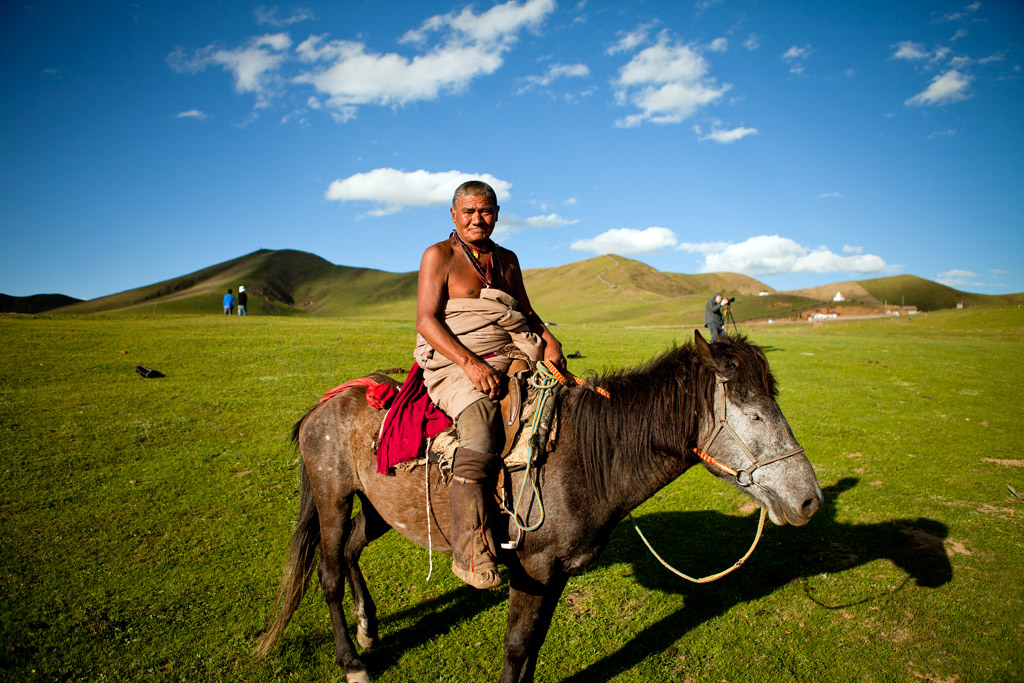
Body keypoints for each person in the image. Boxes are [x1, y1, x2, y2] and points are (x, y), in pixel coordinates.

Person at [415, 180, 564, 589]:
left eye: (486, 211)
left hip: (509, 351)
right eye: (469, 212)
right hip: (453, 360)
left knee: (561, 406)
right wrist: (469, 364)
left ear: (497, 213)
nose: (477, 219)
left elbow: (527, 312)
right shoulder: (439, 256)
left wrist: (550, 343)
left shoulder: (508, 259)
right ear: (453, 215)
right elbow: (426, 320)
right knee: (481, 428)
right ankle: (470, 550)